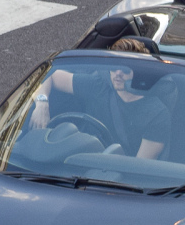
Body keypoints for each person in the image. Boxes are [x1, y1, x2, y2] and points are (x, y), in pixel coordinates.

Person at [28, 38, 169, 159]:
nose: (118, 74)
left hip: (116, 177)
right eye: (114, 67)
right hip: (78, 163)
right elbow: (49, 74)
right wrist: (42, 103)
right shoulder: (98, 85)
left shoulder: (157, 114)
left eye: (125, 70)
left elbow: (139, 167)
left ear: (140, 72)